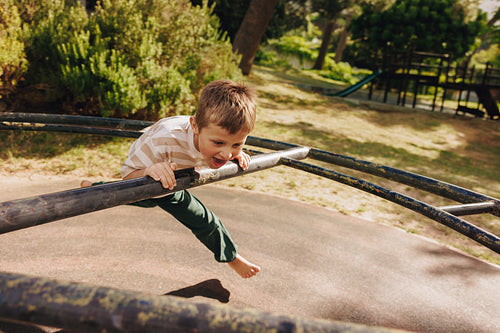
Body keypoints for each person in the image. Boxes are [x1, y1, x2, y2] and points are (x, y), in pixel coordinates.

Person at [82, 79, 260, 278]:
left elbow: (226, 148)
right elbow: (128, 176)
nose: (226, 153)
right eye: (218, 142)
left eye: (237, 144)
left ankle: (94, 187)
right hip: (147, 169)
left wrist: (237, 153)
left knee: (178, 211)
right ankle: (92, 189)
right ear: (195, 126)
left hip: (173, 176)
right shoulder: (163, 141)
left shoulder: (217, 137)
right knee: (153, 202)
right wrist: (149, 171)